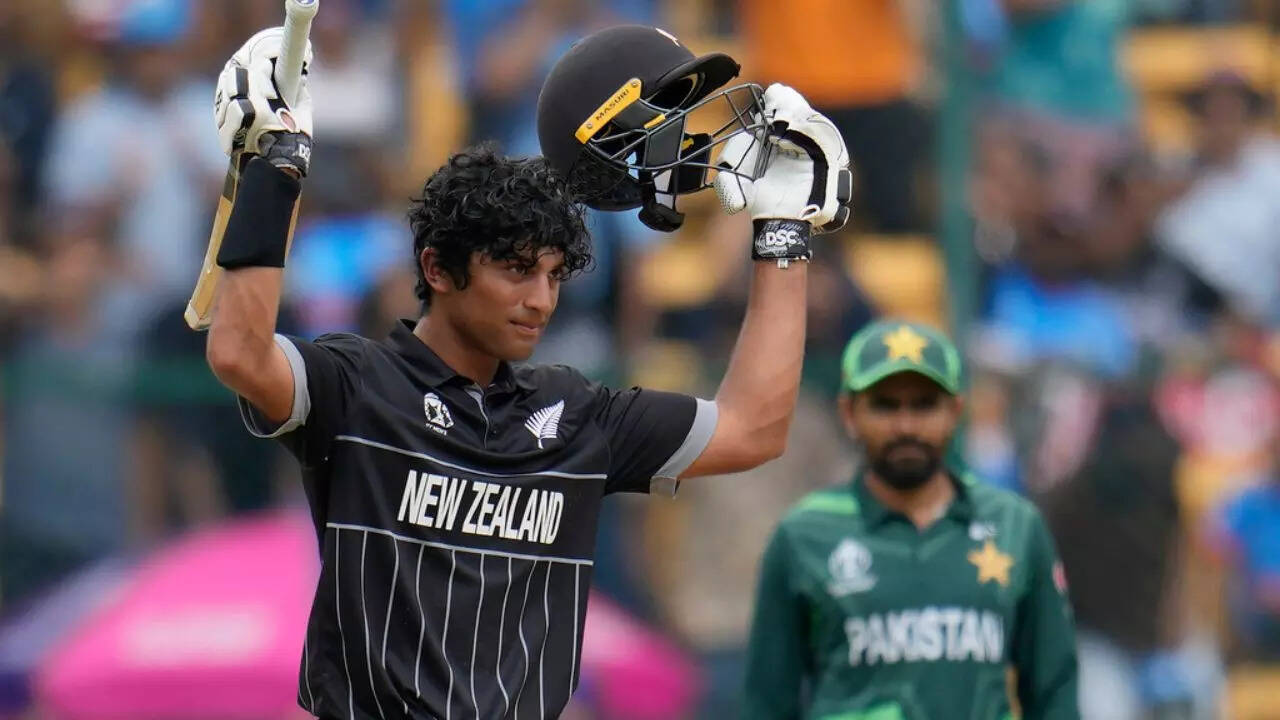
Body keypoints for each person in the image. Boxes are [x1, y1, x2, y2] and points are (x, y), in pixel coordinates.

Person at [204, 23, 850, 720]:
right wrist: (272, 168)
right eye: (515, 271)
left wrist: (783, 235)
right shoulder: (359, 385)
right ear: (437, 269)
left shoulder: (577, 415)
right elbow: (239, 352)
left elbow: (754, 429)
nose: (540, 299)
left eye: (553, 275)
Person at [742, 320, 1079, 720]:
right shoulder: (805, 534)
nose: (905, 426)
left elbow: (1054, 691)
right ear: (848, 413)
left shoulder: (1014, 525)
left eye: (924, 405)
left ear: (955, 411)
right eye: (885, 405)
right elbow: (766, 703)